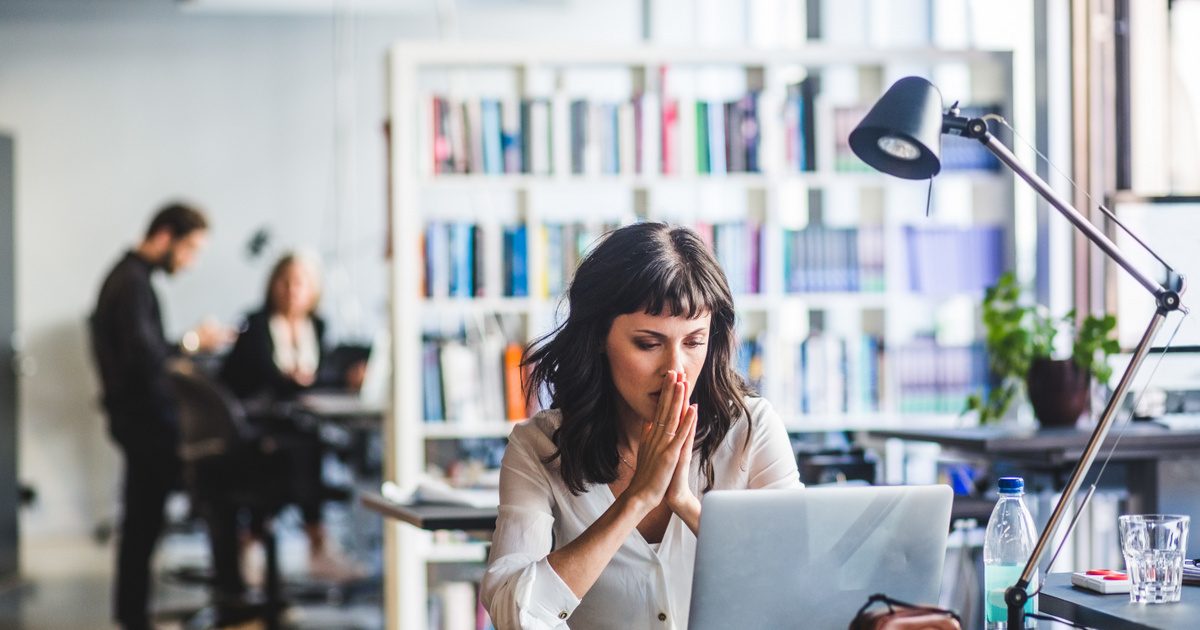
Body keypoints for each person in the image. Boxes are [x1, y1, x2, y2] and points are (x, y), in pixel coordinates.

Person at [480, 222, 802, 629]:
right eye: (648, 344)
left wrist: (685, 504)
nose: (675, 370)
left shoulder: (752, 430)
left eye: (693, 342)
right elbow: (514, 614)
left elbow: (795, 587)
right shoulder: (539, 447)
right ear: (599, 337)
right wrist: (635, 500)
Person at [90, 201, 231, 630]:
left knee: (143, 522)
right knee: (147, 521)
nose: (189, 263)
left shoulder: (130, 279)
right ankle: (142, 616)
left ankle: (134, 615)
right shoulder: (131, 283)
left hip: (141, 419)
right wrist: (191, 343)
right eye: (189, 250)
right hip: (145, 422)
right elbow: (144, 359)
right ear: (165, 236)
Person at [218, 252, 364, 587]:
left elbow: (321, 375)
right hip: (256, 425)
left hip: (298, 425)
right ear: (272, 285)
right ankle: (307, 541)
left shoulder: (319, 326)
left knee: (305, 445)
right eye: (284, 281)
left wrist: (344, 378)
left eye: (300, 283)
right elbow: (255, 379)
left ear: (313, 290)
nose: (291, 290)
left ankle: (270, 540)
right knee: (298, 451)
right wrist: (296, 380)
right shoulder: (255, 325)